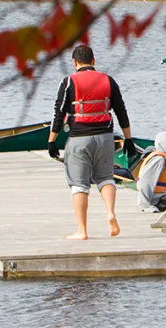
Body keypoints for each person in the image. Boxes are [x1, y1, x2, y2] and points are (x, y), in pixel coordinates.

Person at [48, 44, 132, 240]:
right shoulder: (108, 80)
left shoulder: (69, 82)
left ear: (75, 63)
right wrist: (128, 139)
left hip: (79, 138)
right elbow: (121, 111)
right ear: (93, 61)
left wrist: (52, 141)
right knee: (106, 178)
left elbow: (58, 114)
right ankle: (110, 213)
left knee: (79, 185)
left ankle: (82, 230)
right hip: (105, 138)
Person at [137, 131, 166, 212]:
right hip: (157, 200)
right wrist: (146, 205)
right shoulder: (159, 160)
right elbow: (145, 182)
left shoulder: (164, 158)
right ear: (165, 146)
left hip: (163, 196)